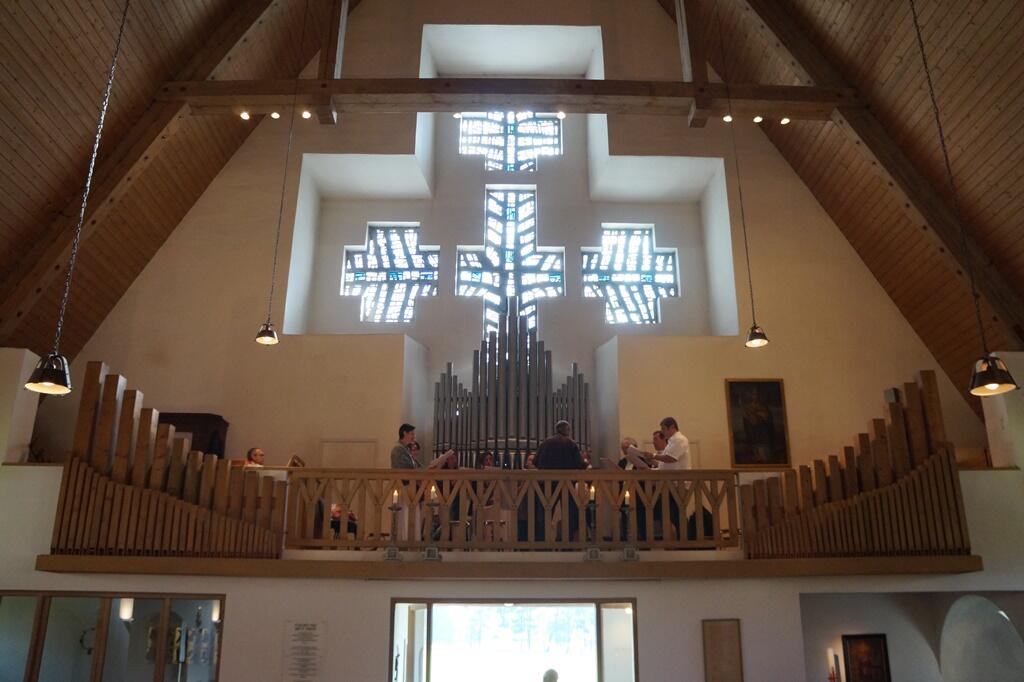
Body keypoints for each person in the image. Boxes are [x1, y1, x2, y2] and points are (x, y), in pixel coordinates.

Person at [534, 421, 587, 541]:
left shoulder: (545, 443)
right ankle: (567, 543)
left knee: (545, 513)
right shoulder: (571, 444)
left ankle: (542, 543)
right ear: (566, 430)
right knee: (568, 514)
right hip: (566, 484)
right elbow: (579, 464)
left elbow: (536, 462)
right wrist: (586, 464)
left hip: (547, 483)